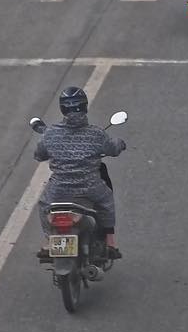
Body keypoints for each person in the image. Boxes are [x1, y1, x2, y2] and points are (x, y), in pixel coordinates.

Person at [35, 86, 126, 259]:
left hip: (59, 189)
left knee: (44, 205)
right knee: (106, 200)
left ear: (63, 109)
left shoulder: (51, 134)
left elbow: (39, 155)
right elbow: (113, 148)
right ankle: (110, 241)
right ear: (84, 106)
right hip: (90, 188)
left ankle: (49, 240)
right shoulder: (96, 134)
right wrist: (120, 144)